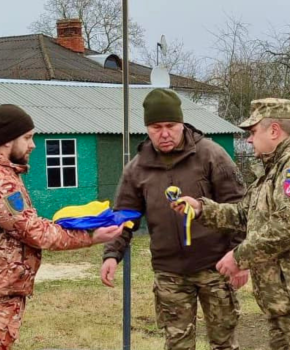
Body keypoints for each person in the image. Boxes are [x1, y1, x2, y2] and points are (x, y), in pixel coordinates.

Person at [172, 98, 290, 350]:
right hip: (287, 304)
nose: (248, 139)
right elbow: (245, 215)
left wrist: (239, 257)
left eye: (253, 132)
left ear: (274, 130)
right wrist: (203, 208)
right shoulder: (273, 170)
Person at [0, 104, 124, 350]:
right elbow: (34, 232)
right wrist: (91, 235)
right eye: (27, 138)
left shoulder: (3, 173)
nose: (33, 144)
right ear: (6, 141)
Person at [100, 88, 246, 350]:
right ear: (147, 128)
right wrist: (112, 255)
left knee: (224, 343)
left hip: (215, 266)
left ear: (182, 124)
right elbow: (123, 218)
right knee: (177, 344)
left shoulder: (211, 154)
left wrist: (239, 257)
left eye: (170, 125)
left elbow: (239, 207)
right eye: (156, 127)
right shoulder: (137, 168)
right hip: (169, 272)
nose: (164, 133)